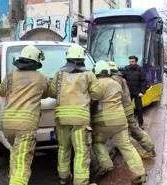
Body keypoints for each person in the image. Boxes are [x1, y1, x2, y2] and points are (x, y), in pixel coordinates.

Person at [49, 45, 102, 185]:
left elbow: (53, 92)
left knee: (63, 148)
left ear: (68, 57)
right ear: (82, 58)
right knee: (81, 151)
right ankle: (81, 181)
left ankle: (64, 177)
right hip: (80, 120)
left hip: (61, 118)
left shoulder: (59, 74)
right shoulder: (88, 74)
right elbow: (97, 94)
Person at [0, 45, 50, 185]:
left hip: (7, 123)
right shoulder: (42, 78)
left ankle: (13, 177)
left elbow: (1, 92)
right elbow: (46, 94)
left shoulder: (10, 76)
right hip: (26, 125)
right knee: (23, 161)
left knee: (15, 152)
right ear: (36, 62)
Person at [91, 61, 146, 184]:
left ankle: (106, 164)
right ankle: (139, 173)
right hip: (120, 121)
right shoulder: (116, 84)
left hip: (102, 122)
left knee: (97, 142)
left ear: (97, 71)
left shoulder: (95, 84)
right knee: (127, 146)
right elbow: (123, 99)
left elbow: (92, 101)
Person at [108, 61, 156, 159]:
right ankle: (150, 148)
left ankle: (149, 149)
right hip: (128, 108)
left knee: (133, 131)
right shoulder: (121, 78)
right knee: (134, 130)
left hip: (123, 110)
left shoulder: (114, 79)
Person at [122, 55, 147, 129]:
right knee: (126, 108)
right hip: (128, 93)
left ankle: (141, 123)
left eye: (132, 61)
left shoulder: (140, 70)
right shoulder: (126, 69)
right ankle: (124, 123)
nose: (131, 63)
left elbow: (144, 81)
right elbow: (122, 78)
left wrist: (142, 92)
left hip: (137, 93)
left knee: (139, 109)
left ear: (136, 62)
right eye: (130, 61)